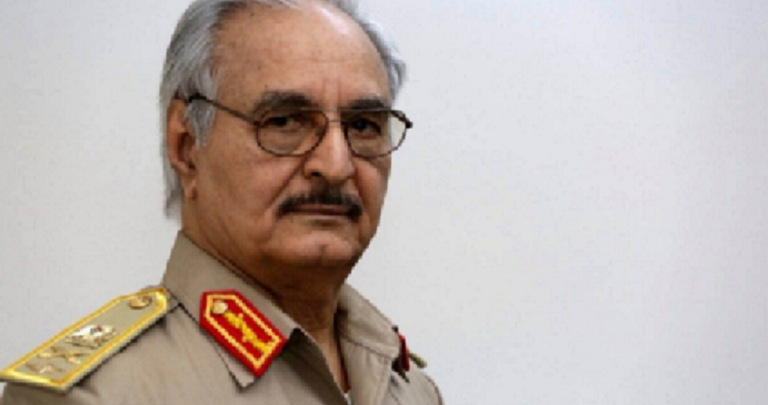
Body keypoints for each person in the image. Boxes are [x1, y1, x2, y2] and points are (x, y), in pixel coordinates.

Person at [0, 0, 442, 404]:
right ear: (187, 146)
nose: (335, 164)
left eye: (363, 125)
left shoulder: (411, 389)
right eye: (284, 121)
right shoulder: (98, 396)